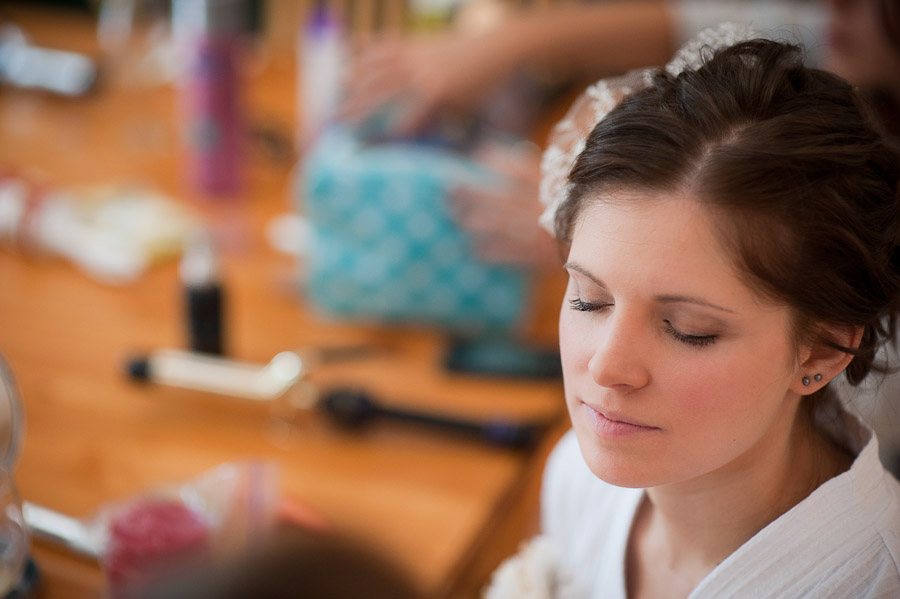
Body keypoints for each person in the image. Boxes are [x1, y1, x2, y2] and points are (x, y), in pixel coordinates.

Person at [486, 36, 900, 598]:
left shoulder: (873, 582)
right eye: (589, 299)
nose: (607, 368)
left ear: (822, 349)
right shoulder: (579, 478)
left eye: (688, 331)